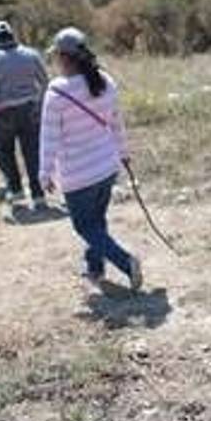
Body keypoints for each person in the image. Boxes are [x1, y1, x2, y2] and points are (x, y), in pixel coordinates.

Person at [39, 27, 142, 292]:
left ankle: (125, 262)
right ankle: (94, 267)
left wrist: (44, 172)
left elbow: (49, 137)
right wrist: (123, 153)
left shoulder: (56, 93)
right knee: (97, 220)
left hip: (77, 173)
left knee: (84, 225)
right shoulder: (105, 81)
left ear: (63, 58)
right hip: (106, 167)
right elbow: (116, 123)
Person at [0, 21, 50, 214]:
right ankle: (38, 195)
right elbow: (45, 82)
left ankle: (16, 191)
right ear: (13, 36)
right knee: (32, 154)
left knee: (6, 153)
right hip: (29, 109)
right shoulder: (31, 54)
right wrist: (41, 105)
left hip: (3, 114)